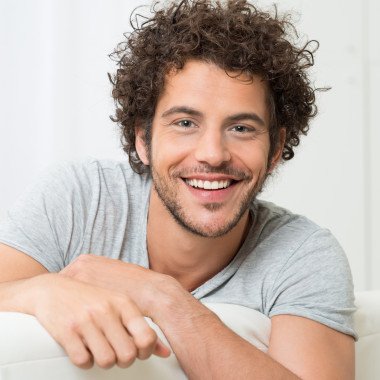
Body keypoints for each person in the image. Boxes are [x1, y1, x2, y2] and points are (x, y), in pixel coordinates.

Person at [0, 0, 357, 378]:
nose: (213, 155)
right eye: (186, 122)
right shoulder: (81, 198)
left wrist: (164, 298)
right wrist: (39, 291)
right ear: (143, 138)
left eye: (241, 128)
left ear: (274, 149)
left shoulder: (303, 255)